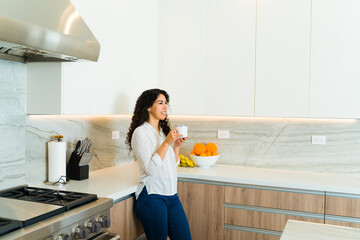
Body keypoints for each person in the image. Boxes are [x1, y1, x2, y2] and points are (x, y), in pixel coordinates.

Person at [126, 89, 192, 240]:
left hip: (171, 195)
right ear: (148, 107)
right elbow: (151, 170)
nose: (165, 107)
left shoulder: (163, 132)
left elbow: (172, 165)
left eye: (166, 104)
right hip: (152, 196)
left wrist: (176, 146)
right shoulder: (140, 133)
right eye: (160, 103)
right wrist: (168, 142)